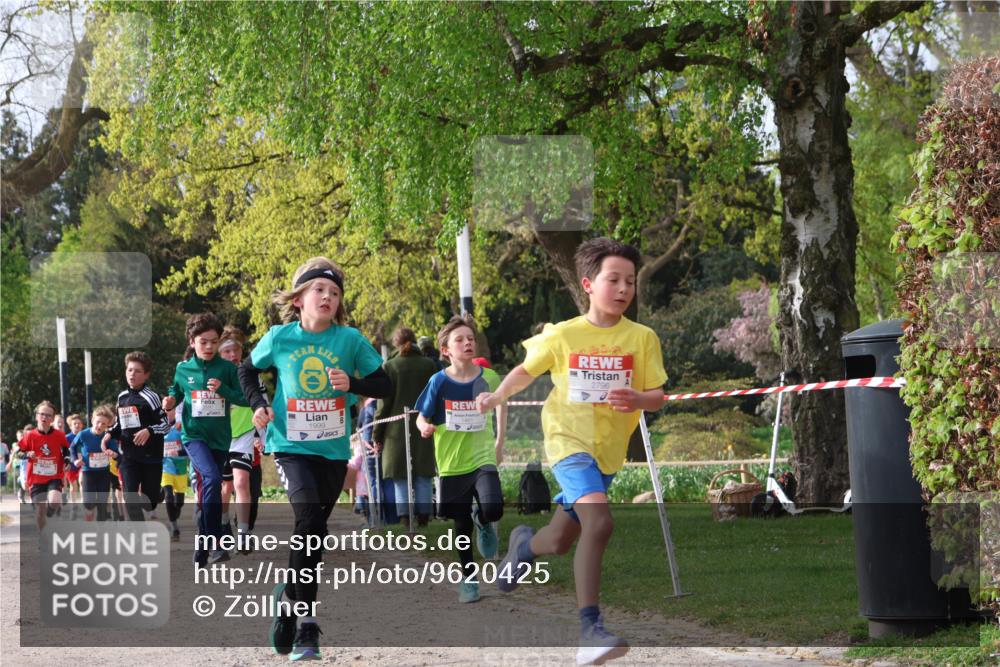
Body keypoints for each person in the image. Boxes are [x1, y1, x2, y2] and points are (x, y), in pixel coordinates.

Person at [476, 238, 667, 666]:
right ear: (588, 284)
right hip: (567, 442)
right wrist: (497, 396)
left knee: (562, 540)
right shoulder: (563, 334)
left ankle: (523, 547)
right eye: (613, 279)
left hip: (607, 452)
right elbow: (525, 372)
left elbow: (657, 395)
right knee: (599, 523)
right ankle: (590, 630)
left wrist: (638, 398)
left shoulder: (642, 337)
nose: (623, 289)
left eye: (630, 281)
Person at [238, 257, 391, 661]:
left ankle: (287, 596)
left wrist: (354, 383)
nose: (328, 297)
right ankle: (306, 626)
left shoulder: (350, 340)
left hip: (333, 450)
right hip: (290, 447)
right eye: (319, 290)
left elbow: (384, 382)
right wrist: (257, 404)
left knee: (314, 534)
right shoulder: (279, 337)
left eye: (335, 293)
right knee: (307, 520)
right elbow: (246, 371)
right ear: (300, 297)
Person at [414, 315, 507, 603]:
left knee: (493, 508)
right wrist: (424, 427)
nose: (467, 343)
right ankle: (469, 579)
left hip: (482, 457)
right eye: (460, 340)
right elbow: (421, 416)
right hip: (452, 463)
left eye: (470, 338)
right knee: (460, 525)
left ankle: (484, 518)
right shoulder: (438, 381)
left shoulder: (489, 377)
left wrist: (500, 440)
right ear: (446, 350)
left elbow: (503, 404)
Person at [168, 314, 249, 566]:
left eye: (214, 342)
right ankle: (213, 540)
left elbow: (244, 398)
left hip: (220, 438)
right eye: (204, 342)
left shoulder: (228, 369)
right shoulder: (183, 369)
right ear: (192, 342)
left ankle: (204, 545)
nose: (210, 347)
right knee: (213, 479)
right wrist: (170, 400)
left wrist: (223, 390)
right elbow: (176, 391)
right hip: (193, 436)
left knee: (208, 488)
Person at [374, 327, 438, 529]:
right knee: (423, 472)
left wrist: (377, 433)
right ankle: (424, 517)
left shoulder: (390, 366)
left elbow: (384, 403)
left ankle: (404, 517)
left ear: (395, 343)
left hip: (395, 429)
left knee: (400, 474)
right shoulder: (429, 365)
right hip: (424, 424)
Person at [104, 351, 173, 523]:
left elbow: (165, 426)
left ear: (146, 374)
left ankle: (159, 493)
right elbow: (120, 424)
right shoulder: (122, 397)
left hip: (151, 457)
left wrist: (148, 430)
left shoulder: (152, 397)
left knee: (149, 504)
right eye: (129, 370)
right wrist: (109, 434)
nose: (132, 374)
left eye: (137, 371)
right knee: (130, 497)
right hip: (128, 456)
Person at [218, 325, 265, 551]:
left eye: (236, 350)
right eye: (227, 351)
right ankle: (224, 523)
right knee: (224, 488)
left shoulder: (251, 376)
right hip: (220, 436)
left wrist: (263, 437)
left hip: (244, 435)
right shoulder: (213, 376)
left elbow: (262, 408)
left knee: (241, 482)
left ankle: (244, 533)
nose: (232, 355)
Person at [15, 401, 71, 531]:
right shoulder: (29, 435)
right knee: (40, 510)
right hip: (36, 478)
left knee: (55, 501)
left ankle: (50, 515)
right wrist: (27, 454)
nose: (44, 417)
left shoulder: (59, 435)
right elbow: (17, 453)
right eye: (42, 414)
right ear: (36, 416)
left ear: (52, 418)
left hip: (54, 475)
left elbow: (65, 450)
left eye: (48, 415)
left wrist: (67, 461)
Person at [71, 405, 120, 522]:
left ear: (108, 425)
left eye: (104, 424)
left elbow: (116, 452)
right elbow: (72, 447)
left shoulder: (108, 437)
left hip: (104, 473)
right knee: (89, 503)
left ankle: (100, 529)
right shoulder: (83, 434)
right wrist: (75, 460)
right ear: (92, 420)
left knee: (102, 503)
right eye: (98, 422)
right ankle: (89, 512)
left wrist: (114, 454)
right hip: (88, 472)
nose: (100, 426)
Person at [161, 418, 188, 541]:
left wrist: (179, 452)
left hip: (181, 470)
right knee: (168, 497)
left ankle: (174, 517)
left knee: (179, 502)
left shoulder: (180, 428)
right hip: (166, 467)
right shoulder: (159, 429)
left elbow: (191, 448)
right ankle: (174, 528)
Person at [63, 414, 84, 516]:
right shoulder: (67, 438)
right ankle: (74, 506)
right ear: (70, 426)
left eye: (79, 423)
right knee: (73, 486)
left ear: (82, 425)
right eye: (74, 424)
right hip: (71, 465)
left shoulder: (84, 436)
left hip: (83, 464)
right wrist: (65, 463)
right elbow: (63, 452)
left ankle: (85, 503)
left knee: (82, 481)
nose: (77, 425)